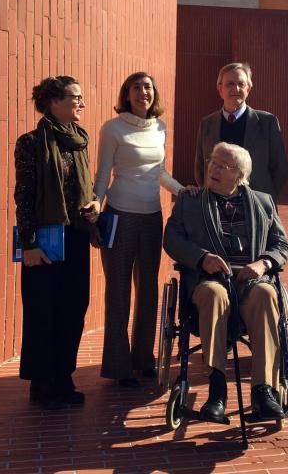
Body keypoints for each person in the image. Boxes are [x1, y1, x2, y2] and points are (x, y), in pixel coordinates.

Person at [164, 142, 288, 422]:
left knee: (268, 295)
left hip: (250, 282)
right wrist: (201, 258)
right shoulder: (190, 200)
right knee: (213, 294)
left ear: (240, 174)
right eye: (212, 161)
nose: (213, 168)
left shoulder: (263, 201)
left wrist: (264, 263)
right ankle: (217, 390)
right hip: (210, 280)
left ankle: (263, 390)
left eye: (223, 165)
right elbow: (171, 239)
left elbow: (281, 244)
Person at [95, 72, 195, 388]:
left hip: (152, 217)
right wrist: (95, 207)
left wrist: (183, 190)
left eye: (148, 87)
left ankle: (143, 358)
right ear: (126, 94)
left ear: (154, 94)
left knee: (149, 291)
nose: (143, 92)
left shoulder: (159, 127)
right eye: (136, 87)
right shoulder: (112, 128)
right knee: (119, 291)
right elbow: (102, 176)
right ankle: (118, 364)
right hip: (119, 216)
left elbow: (159, 171)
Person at [14, 75, 100, 409]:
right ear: (53, 101)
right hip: (45, 239)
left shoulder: (79, 141)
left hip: (76, 236)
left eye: (81, 97)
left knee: (74, 307)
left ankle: (64, 376)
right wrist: (29, 244)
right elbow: (24, 196)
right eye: (74, 97)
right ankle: (42, 383)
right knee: (42, 310)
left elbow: (85, 187)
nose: (80, 103)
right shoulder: (31, 142)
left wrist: (94, 204)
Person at [194, 63, 288, 202]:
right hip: (216, 204)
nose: (236, 89)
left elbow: (280, 167)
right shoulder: (207, 124)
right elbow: (200, 168)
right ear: (220, 89)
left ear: (248, 89)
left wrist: (266, 197)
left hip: (256, 203)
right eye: (230, 84)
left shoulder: (267, 122)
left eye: (241, 84)